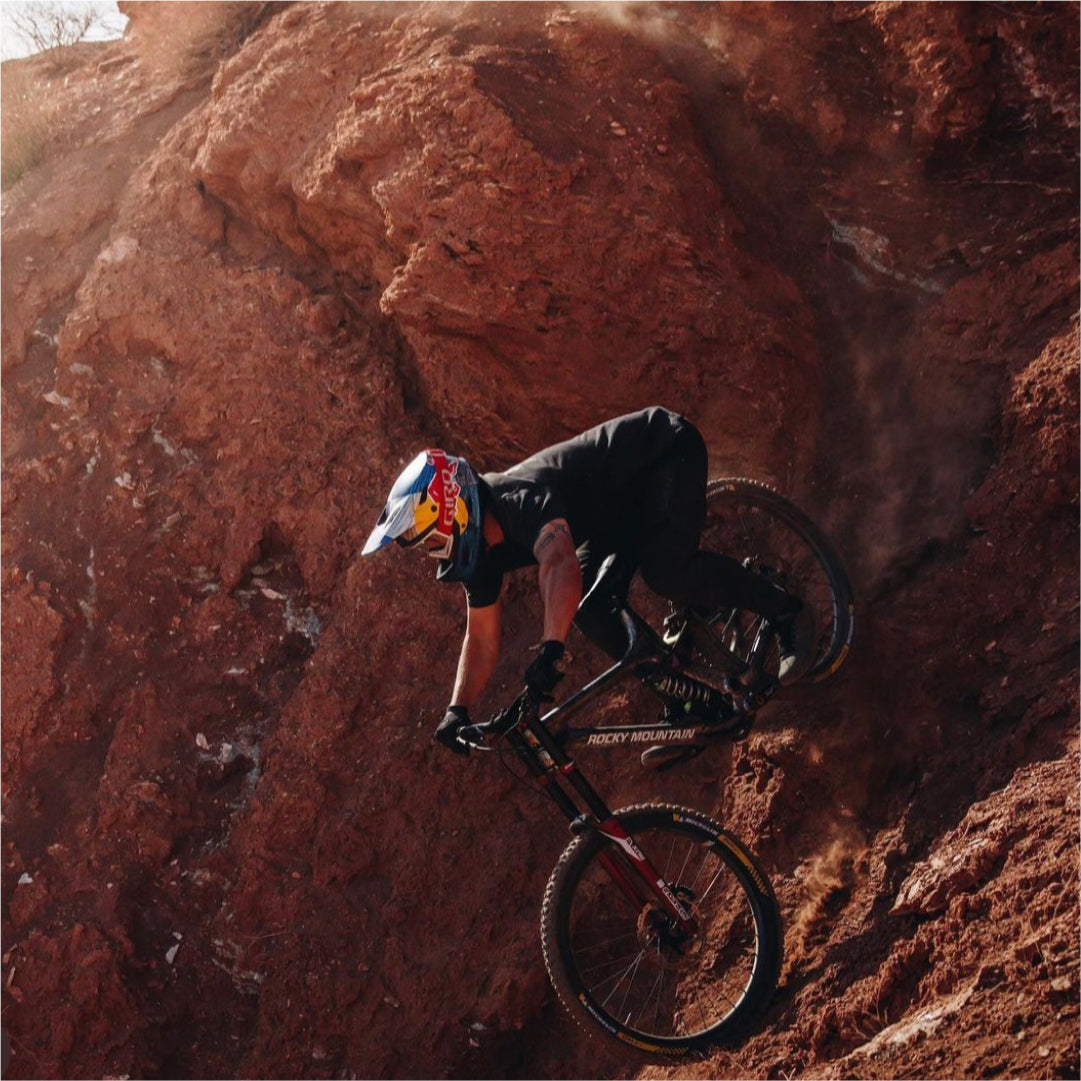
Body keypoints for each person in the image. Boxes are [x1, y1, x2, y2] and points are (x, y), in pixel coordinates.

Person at [361, 407, 815, 754]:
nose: (435, 550)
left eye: (432, 538)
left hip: (663, 452)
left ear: (455, 507)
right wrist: (456, 711)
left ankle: (786, 610)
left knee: (666, 572)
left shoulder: (516, 498)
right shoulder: (479, 550)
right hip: (615, 513)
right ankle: (688, 696)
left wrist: (550, 653)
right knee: (592, 609)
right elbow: (480, 635)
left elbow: (559, 563)